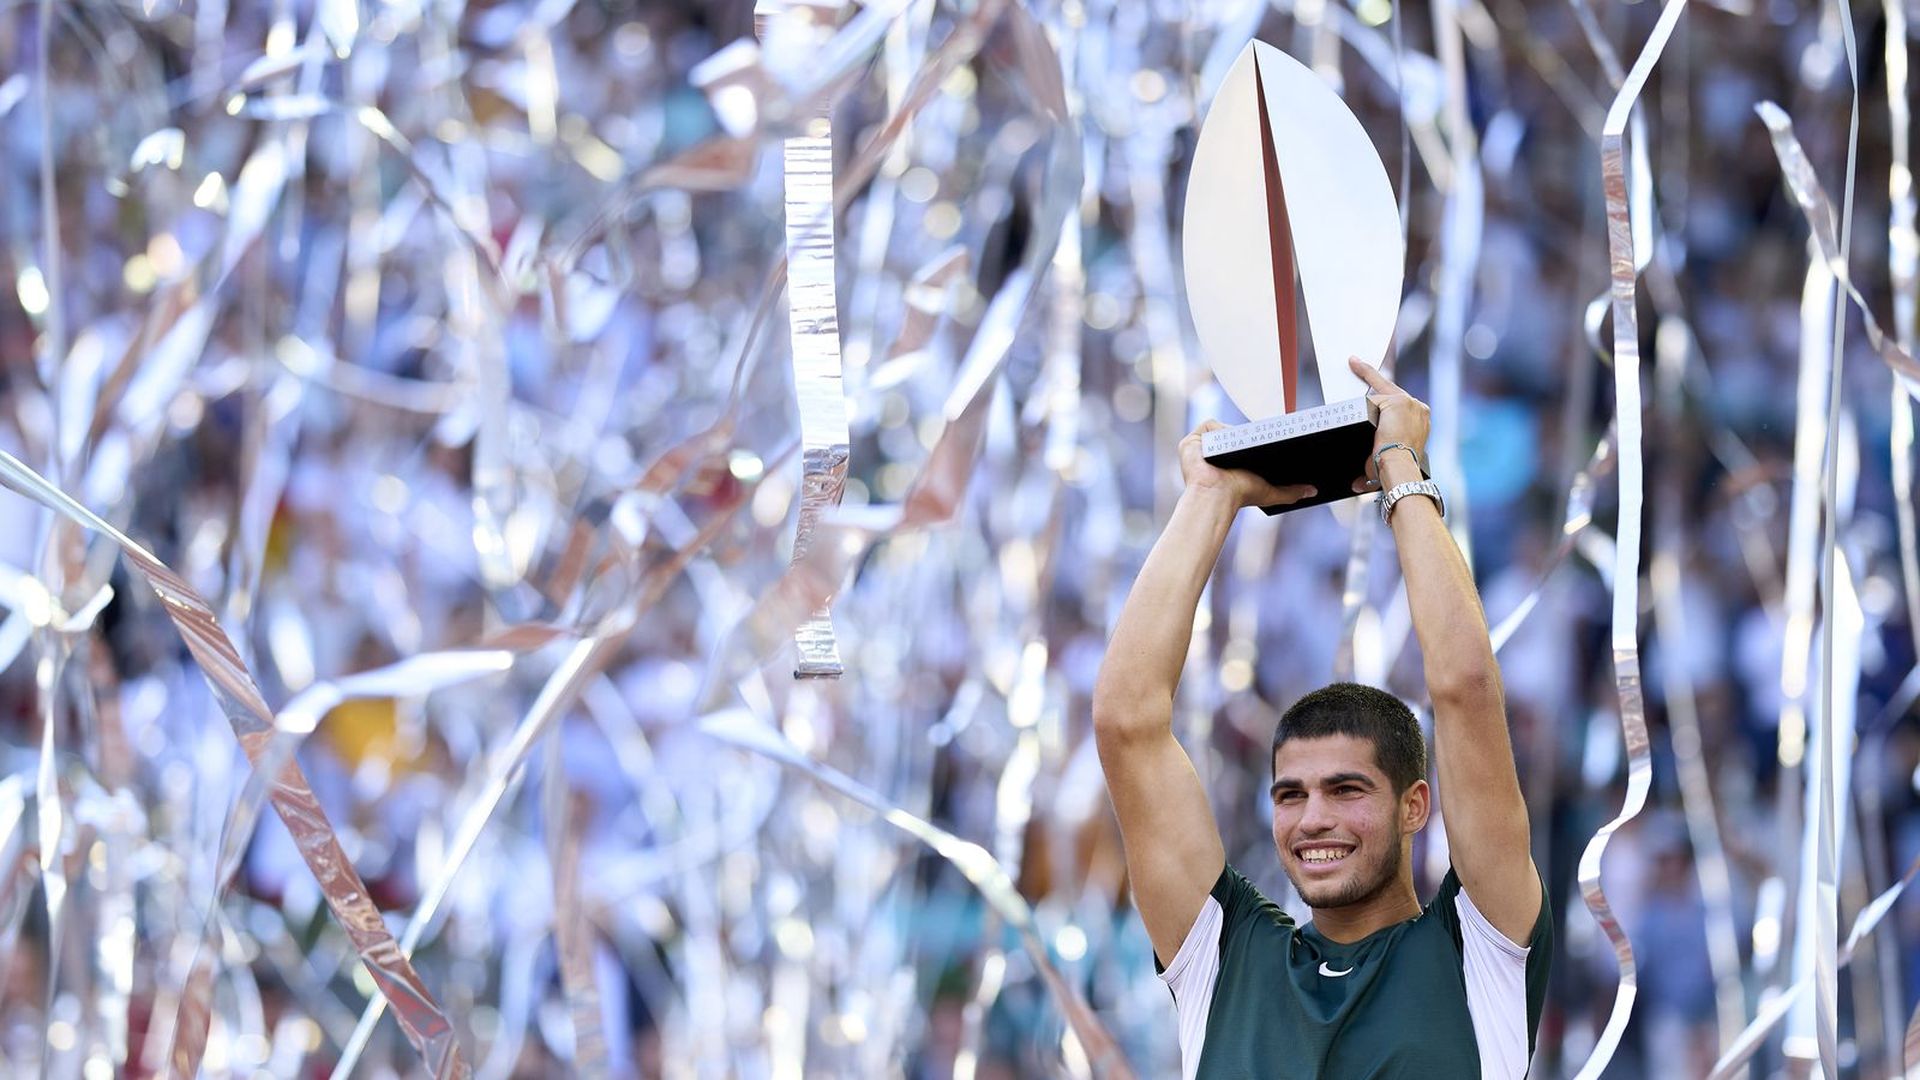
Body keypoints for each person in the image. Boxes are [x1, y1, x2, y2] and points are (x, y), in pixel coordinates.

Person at [1092, 358, 1551, 1079]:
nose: (1312, 820)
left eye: (1346, 790)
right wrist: (1209, 497)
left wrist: (1400, 467)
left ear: (1414, 805)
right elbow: (1126, 722)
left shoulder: (1481, 948)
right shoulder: (1224, 958)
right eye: (1291, 794)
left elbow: (1463, 687)